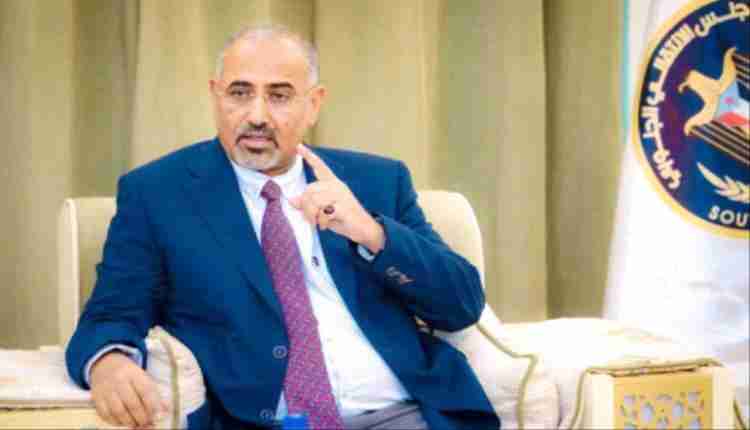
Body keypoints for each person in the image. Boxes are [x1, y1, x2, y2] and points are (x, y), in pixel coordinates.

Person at [65, 25, 500, 430]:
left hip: (403, 415)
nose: (257, 115)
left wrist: (373, 234)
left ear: (313, 104)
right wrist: (110, 363)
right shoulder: (158, 194)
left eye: (279, 96)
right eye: (240, 93)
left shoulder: (376, 182)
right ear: (216, 95)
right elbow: (111, 313)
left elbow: (461, 304)